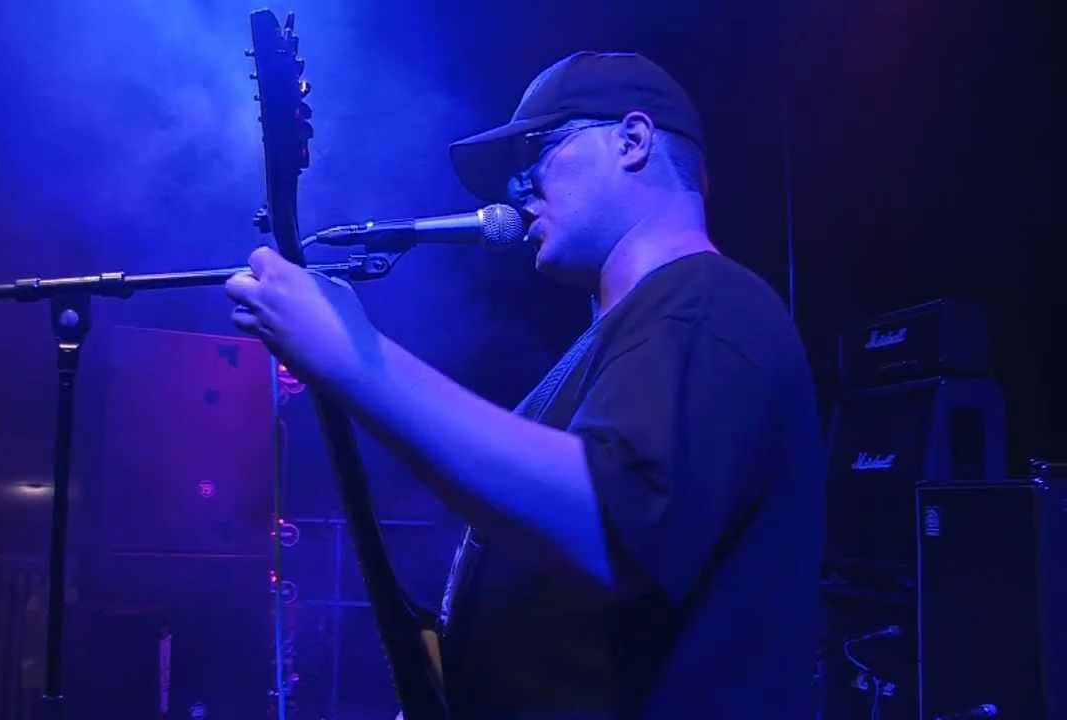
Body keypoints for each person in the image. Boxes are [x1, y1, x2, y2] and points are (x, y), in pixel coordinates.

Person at [226, 51, 825, 719]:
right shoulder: (615, 344)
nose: (516, 186)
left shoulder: (707, 305)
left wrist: (354, 358)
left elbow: (607, 519)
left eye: (538, 149)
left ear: (632, 141)